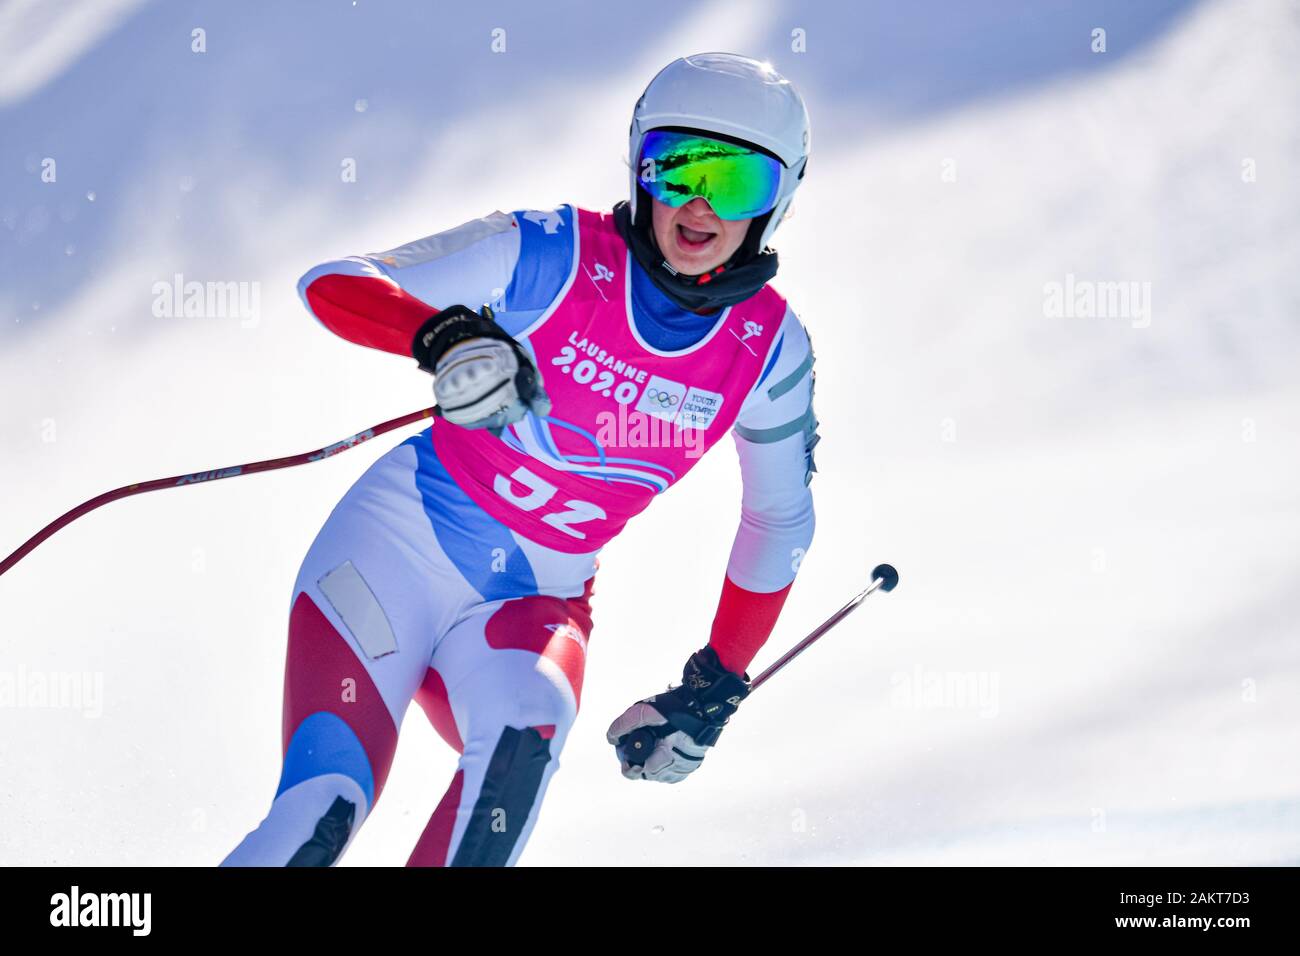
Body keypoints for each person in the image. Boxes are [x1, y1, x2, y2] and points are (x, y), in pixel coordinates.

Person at [222, 52, 819, 867]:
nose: (698, 203)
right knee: (322, 813)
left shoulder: (770, 354)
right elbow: (334, 282)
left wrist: (716, 680)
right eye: (676, 166)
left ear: (777, 201)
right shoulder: (551, 252)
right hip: (393, 553)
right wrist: (444, 336)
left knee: (512, 767)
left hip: (535, 603)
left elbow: (777, 515)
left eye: (738, 180)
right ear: (640, 168)